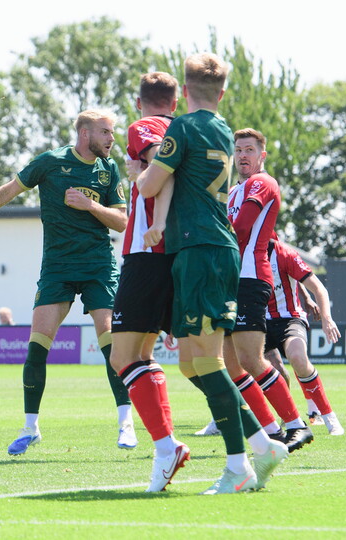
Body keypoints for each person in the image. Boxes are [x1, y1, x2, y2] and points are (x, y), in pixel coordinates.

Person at [0, 109, 138, 454]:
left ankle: (125, 423)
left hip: (98, 267)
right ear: (85, 133)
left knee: (111, 344)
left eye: (111, 132)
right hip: (57, 268)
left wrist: (90, 205)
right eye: (105, 132)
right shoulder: (50, 162)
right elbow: (8, 190)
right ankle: (30, 428)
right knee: (36, 347)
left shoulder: (108, 169)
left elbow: (122, 221)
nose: (111, 139)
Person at [136, 53, 288, 494]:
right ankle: (263, 443)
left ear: (184, 91)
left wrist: (139, 173)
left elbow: (149, 185)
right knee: (190, 363)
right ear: (222, 94)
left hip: (202, 249)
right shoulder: (223, 128)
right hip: (203, 249)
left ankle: (239, 466)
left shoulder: (182, 127)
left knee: (208, 360)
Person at [107, 72, 190, 492]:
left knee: (122, 357)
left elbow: (163, 167)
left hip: (147, 253)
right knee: (147, 355)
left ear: (140, 102)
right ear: (176, 102)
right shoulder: (190, 129)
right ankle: (261, 437)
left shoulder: (145, 127)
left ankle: (166, 445)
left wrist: (143, 175)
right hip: (181, 252)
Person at [219, 128, 314, 453]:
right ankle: (272, 431)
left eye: (249, 149)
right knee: (231, 364)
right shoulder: (233, 190)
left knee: (251, 358)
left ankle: (297, 425)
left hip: (249, 277)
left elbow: (241, 227)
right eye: (238, 150)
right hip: (229, 280)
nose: (242, 155)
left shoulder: (263, 182)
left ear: (262, 155)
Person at [265, 238, 344, 435]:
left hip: (289, 318)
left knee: (298, 358)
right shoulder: (240, 252)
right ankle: (286, 420)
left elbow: (319, 288)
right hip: (257, 322)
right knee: (255, 369)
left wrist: (327, 319)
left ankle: (328, 416)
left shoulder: (284, 254)